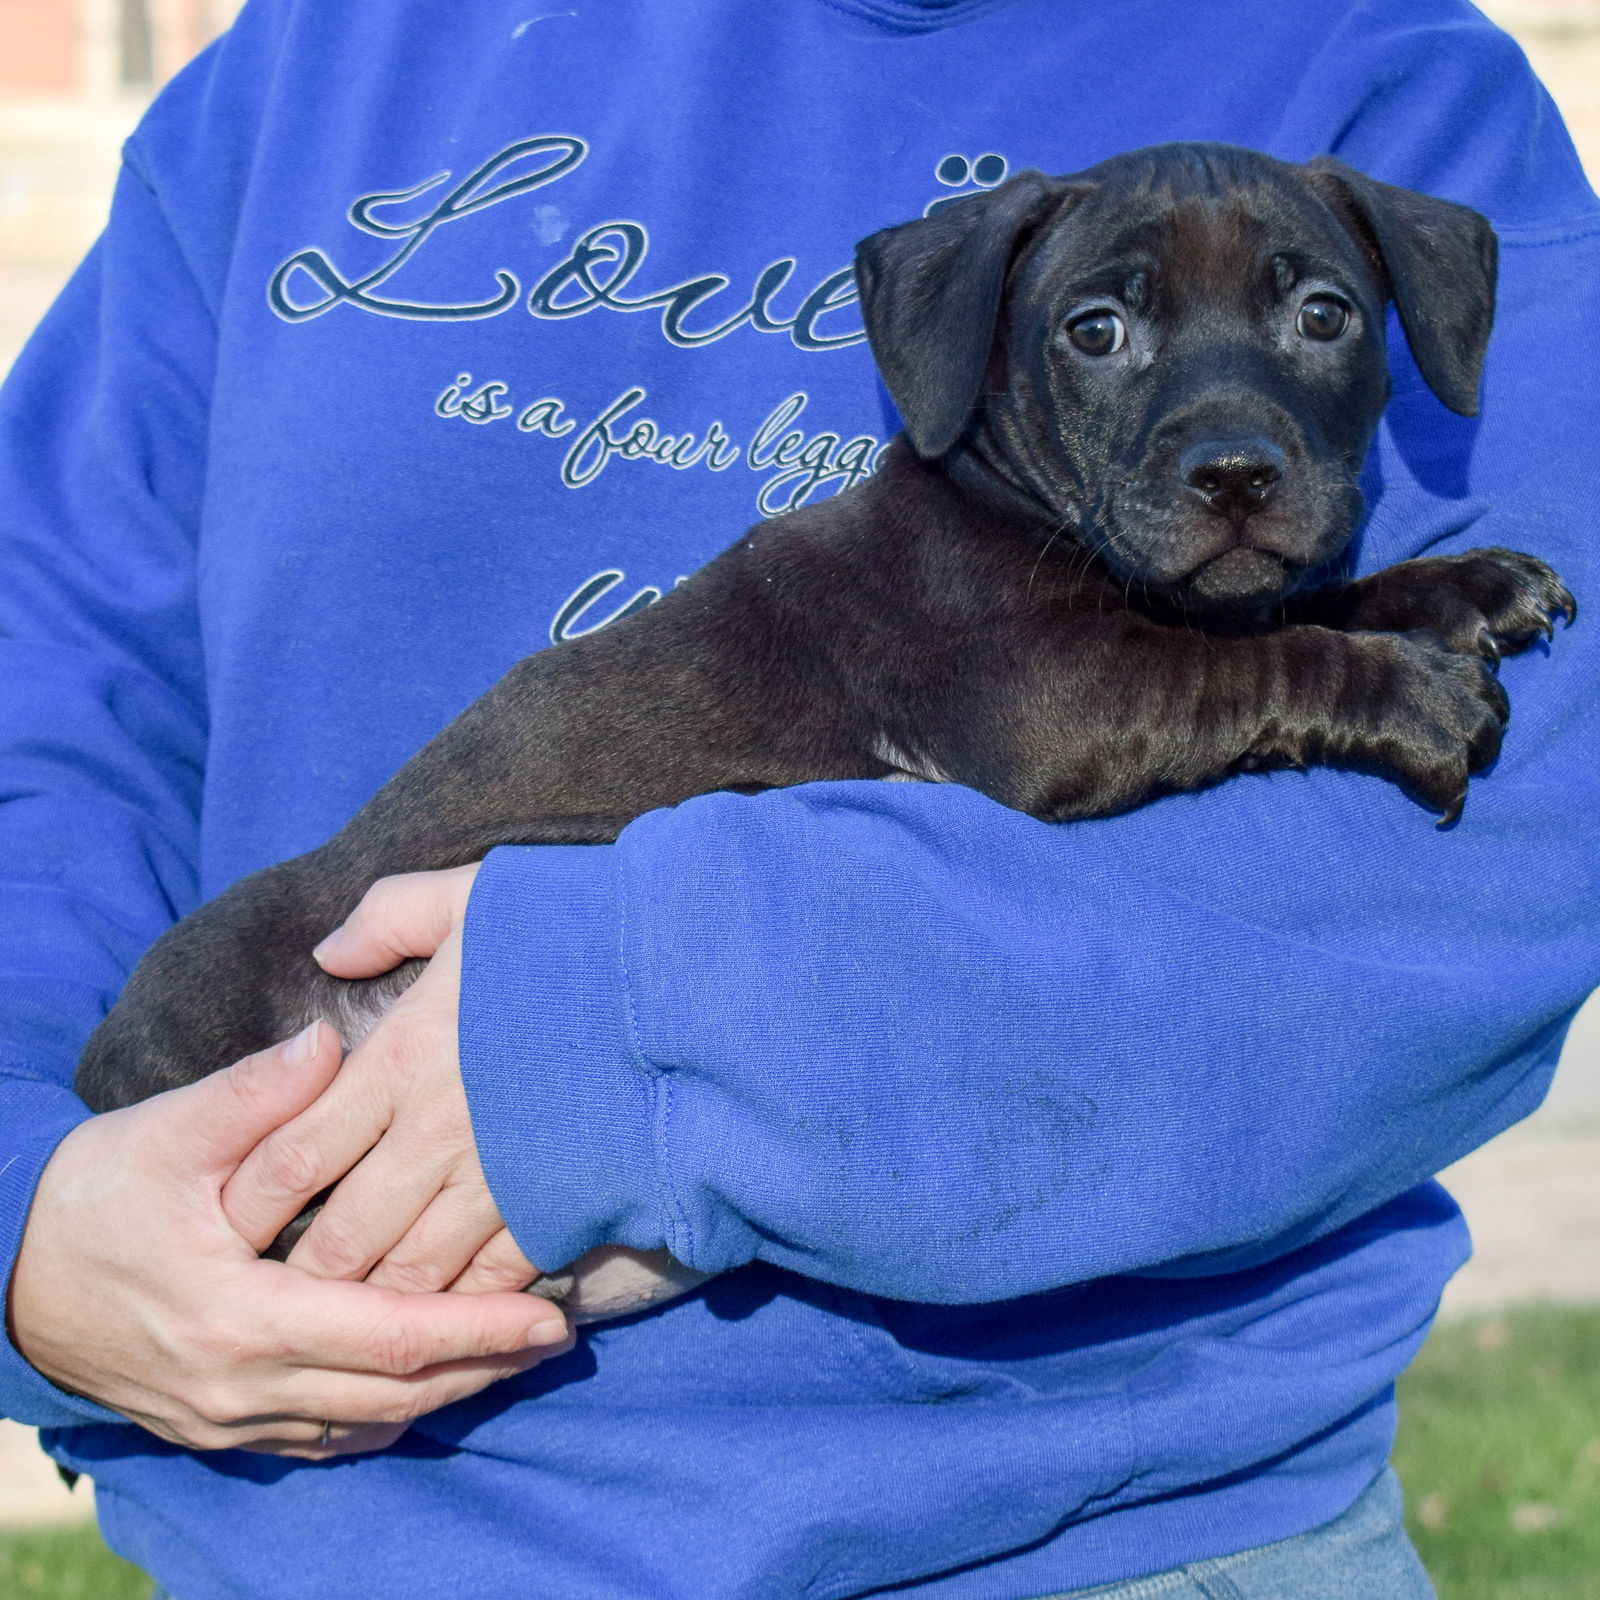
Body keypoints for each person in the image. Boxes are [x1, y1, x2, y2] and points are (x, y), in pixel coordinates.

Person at [2, 0, 1598, 1595]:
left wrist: (630, 1025)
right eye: (1102, 333)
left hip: (1093, 1534)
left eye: (1317, 318)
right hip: (321, 1498)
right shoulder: (301, 65)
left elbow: (1524, 802)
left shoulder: (1384, 71)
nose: (1230, 429)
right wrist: (27, 1218)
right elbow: (48, 681)